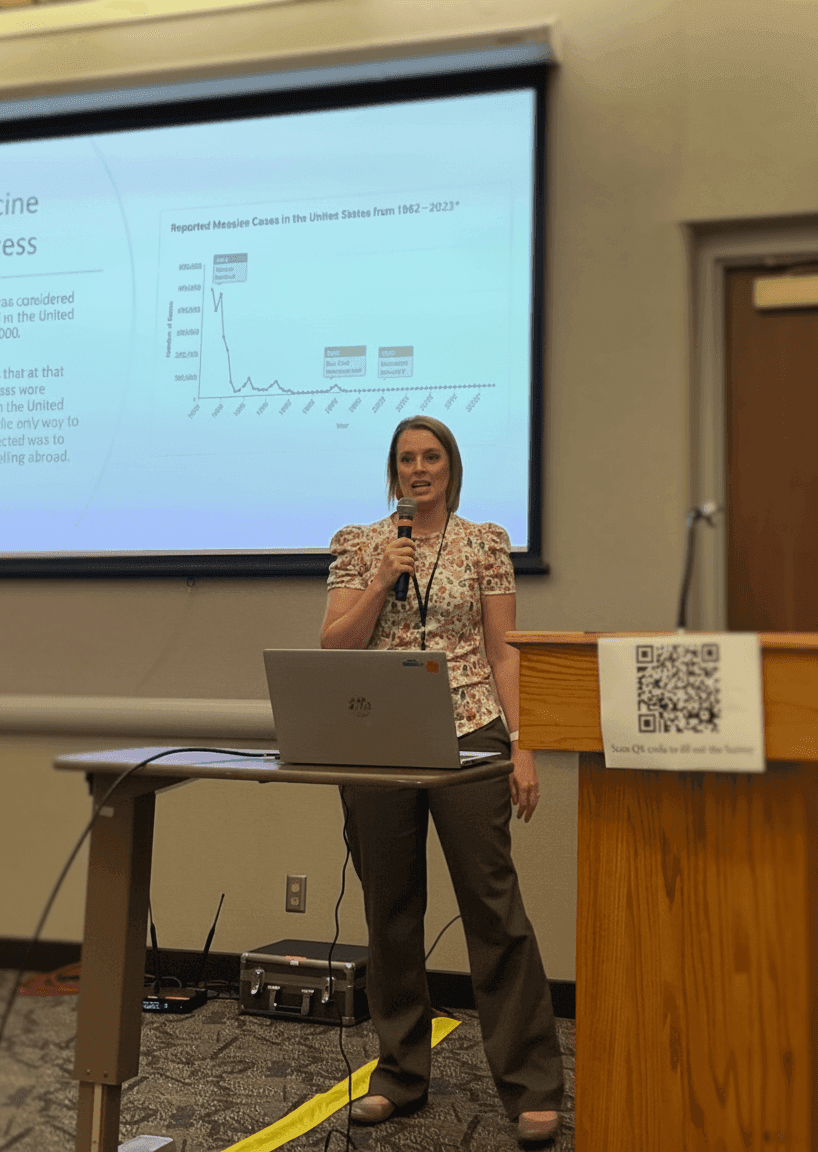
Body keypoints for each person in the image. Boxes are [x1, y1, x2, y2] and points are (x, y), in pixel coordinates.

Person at [320, 416, 564, 1146]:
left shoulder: (484, 542)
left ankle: (531, 1086)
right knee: (390, 910)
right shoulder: (359, 544)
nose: (419, 469)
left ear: (451, 468)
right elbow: (334, 645)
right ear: (393, 472)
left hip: (470, 731)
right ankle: (399, 1074)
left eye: (431, 457)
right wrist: (379, 579)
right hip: (379, 740)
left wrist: (523, 745)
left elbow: (504, 651)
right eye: (406, 459)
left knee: (493, 909)